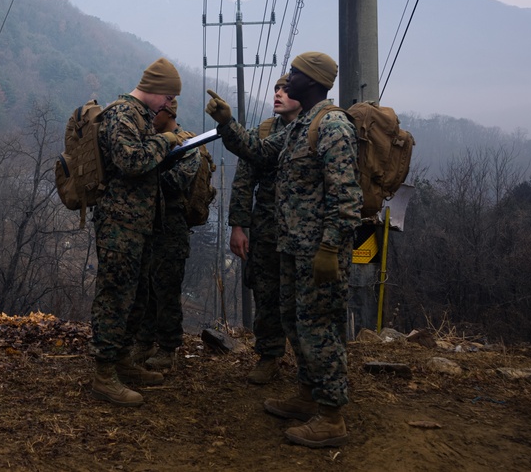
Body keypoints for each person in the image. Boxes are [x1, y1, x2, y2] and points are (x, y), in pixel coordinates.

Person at [205, 51, 361, 448]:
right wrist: (227, 123)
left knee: (319, 328)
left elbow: (346, 197)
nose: (287, 79)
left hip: (318, 253)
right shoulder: (298, 128)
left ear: (312, 82)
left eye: (294, 74)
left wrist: (330, 247)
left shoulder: (332, 126)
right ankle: (308, 396)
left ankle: (331, 416)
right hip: (292, 247)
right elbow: (259, 153)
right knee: (295, 322)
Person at [89, 57, 185, 407]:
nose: (170, 105)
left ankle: (122, 361)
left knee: (136, 296)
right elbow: (130, 161)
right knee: (115, 296)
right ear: (156, 89)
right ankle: (103, 374)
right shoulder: (124, 114)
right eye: (169, 97)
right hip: (119, 223)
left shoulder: (139, 116)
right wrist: (168, 141)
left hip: (138, 223)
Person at [228, 76, 300, 385]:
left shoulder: (316, 129)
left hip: (303, 231)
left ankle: (311, 366)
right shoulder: (264, 133)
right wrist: (238, 226)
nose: (279, 94)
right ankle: (269, 355)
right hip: (268, 228)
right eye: (276, 89)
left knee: (302, 298)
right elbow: (244, 181)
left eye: (286, 90)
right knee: (267, 293)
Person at [131, 99, 201, 372]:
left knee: (167, 289)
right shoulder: (149, 142)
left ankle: (168, 348)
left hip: (171, 228)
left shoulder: (187, 146)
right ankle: (144, 342)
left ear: (168, 113)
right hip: (149, 224)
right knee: (144, 287)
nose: (149, 118)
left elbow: (174, 183)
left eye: (154, 113)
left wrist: (146, 173)